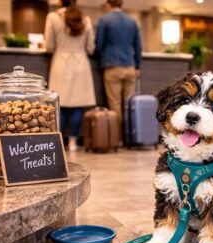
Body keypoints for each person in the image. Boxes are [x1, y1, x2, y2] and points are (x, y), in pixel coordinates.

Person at [45, 0, 96, 151]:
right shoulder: (86, 20)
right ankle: (73, 142)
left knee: (58, 104)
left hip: (61, 62)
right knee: (77, 106)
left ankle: (59, 141)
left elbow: (49, 47)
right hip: (81, 64)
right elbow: (91, 48)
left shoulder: (52, 17)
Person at [95, 0, 142, 141]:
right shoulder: (132, 21)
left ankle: (118, 138)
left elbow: (98, 45)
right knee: (130, 105)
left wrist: (99, 59)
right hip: (129, 66)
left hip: (112, 66)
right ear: (121, 5)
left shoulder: (104, 19)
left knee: (115, 104)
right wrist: (137, 66)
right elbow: (138, 47)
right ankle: (131, 137)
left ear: (109, 4)